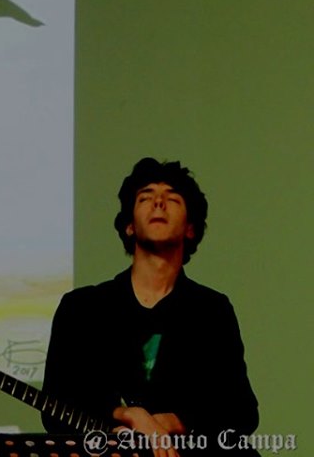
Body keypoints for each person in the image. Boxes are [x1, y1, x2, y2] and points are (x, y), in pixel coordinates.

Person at [41, 158, 259, 457]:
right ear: (129, 226)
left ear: (191, 228)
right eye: (145, 197)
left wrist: (172, 421)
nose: (158, 203)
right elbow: (55, 410)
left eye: (173, 198)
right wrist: (126, 415)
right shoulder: (81, 308)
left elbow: (241, 412)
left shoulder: (211, 310)